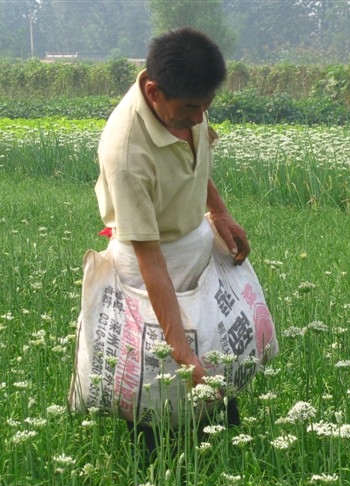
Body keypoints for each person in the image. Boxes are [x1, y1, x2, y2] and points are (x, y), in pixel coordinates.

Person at [94, 27, 248, 461]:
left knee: (214, 347)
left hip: (193, 242)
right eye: (190, 111)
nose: (199, 119)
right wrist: (181, 353)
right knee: (157, 368)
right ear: (153, 90)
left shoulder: (183, 106)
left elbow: (194, 161)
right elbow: (151, 260)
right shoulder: (126, 153)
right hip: (151, 263)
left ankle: (223, 442)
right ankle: (153, 463)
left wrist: (219, 212)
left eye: (205, 107)